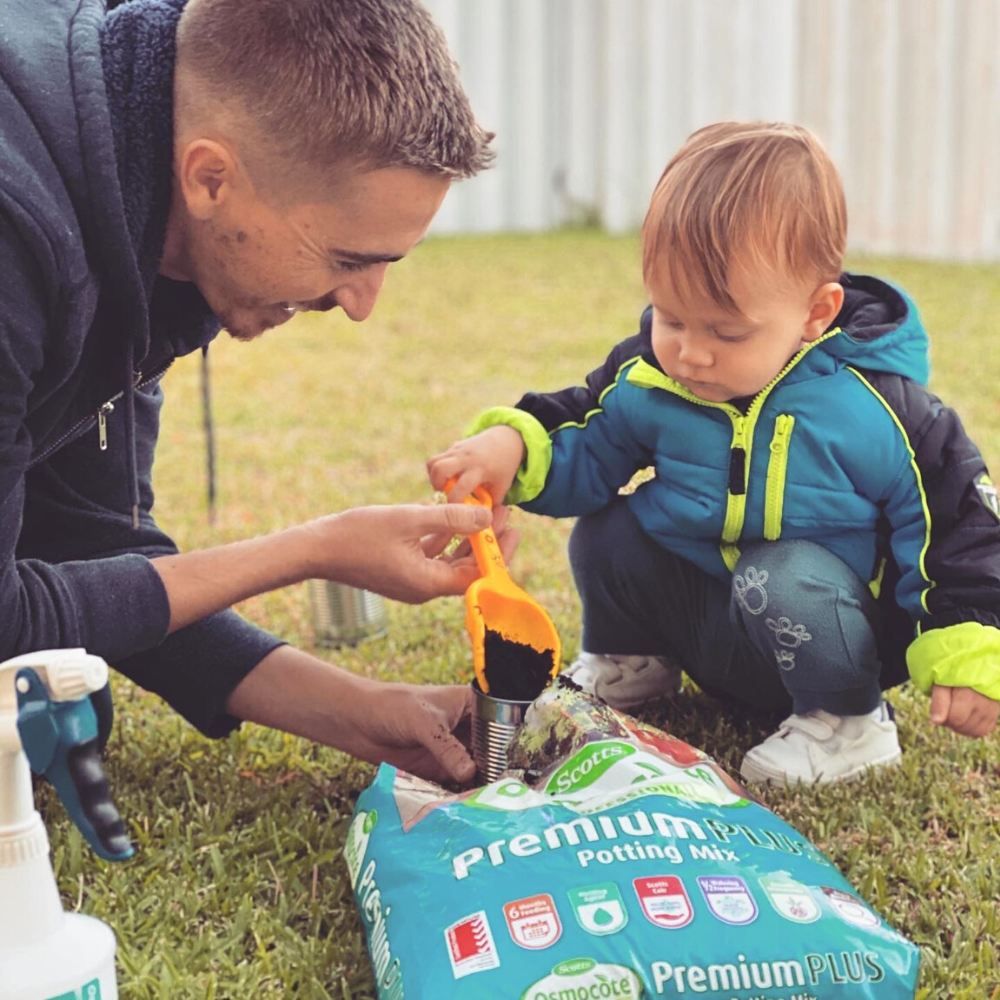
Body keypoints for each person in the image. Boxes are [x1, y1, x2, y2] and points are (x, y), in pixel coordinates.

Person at [0, 0, 505, 786]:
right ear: (210, 177)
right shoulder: (19, 225)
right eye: (347, 258)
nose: (362, 303)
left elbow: (91, 541)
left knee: (64, 699)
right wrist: (314, 549)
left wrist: (356, 708)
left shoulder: (142, 203)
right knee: (35, 720)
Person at [428, 121, 1000, 785]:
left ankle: (848, 725)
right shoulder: (651, 376)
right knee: (610, 527)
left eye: (726, 331)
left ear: (817, 313)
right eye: (670, 317)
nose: (689, 352)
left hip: (823, 636)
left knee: (782, 573)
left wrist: (966, 641)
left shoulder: (881, 409)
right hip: (705, 623)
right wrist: (512, 446)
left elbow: (960, 524)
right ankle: (635, 661)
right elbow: (581, 433)